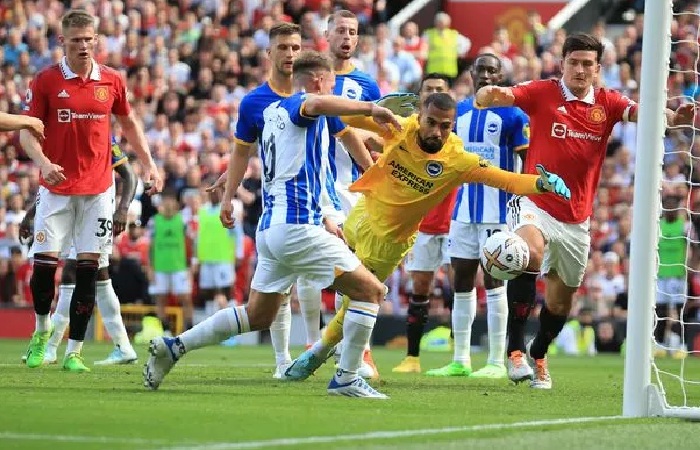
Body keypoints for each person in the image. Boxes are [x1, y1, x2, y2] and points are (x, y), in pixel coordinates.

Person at [144, 50, 399, 398]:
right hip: (297, 227)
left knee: (258, 315)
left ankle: (175, 346)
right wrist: (372, 108)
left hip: (271, 229)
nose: (331, 90)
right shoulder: (302, 106)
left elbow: (260, 154)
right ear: (316, 82)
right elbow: (314, 106)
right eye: (329, 84)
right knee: (371, 291)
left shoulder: (271, 112)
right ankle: (347, 377)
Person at [284, 91, 571, 381]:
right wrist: (370, 110)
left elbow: (504, 178)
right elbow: (342, 116)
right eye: (431, 122)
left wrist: (540, 182)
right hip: (360, 216)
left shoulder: (458, 160)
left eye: (445, 126)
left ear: (453, 125)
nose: (436, 132)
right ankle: (347, 354)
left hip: (388, 240)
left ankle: (318, 353)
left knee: (359, 297)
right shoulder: (399, 127)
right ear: (419, 116)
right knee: (338, 284)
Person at [474, 33, 694, 388]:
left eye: (587, 64)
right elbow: (503, 95)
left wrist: (671, 115)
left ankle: (539, 350)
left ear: (596, 69)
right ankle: (514, 351)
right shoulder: (542, 92)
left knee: (560, 305)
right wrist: (489, 94)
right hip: (536, 201)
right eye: (573, 62)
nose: (579, 69)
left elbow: (645, 114)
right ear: (562, 64)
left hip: (576, 219)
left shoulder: (607, 103)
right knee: (528, 252)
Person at [209, 23, 373, 378]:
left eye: (296, 47)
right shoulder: (256, 102)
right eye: (283, 47)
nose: (290, 53)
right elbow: (244, 153)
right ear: (270, 54)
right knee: (287, 287)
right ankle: (286, 358)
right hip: (283, 204)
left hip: (323, 196)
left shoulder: (316, 101)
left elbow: (346, 136)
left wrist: (372, 174)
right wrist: (229, 190)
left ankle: (329, 351)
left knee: (326, 276)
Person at [20, 9, 161, 372]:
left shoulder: (111, 80)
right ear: (62, 42)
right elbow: (26, 131)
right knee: (43, 269)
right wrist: (44, 164)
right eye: (75, 40)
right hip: (56, 188)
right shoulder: (46, 81)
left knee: (88, 270)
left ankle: (75, 352)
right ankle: (41, 330)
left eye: (88, 39)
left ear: (96, 40)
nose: (83, 46)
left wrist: (149, 164)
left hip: (98, 190)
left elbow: (129, 124)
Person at [426, 54, 529, 379]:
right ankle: (461, 359)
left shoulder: (514, 114)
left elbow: (526, 158)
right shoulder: (459, 112)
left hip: (498, 211)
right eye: (481, 70)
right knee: (461, 282)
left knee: (495, 281)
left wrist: (522, 203)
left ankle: (497, 361)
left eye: (492, 70)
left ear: (501, 76)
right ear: (471, 74)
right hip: (462, 210)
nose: (485, 75)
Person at [20, 136, 139, 365]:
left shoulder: (102, 136)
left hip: (94, 213)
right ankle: (123, 346)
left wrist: (122, 210)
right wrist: (30, 215)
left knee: (74, 274)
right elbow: (56, 185)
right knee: (99, 279)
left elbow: (129, 174)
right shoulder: (64, 134)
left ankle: (52, 347)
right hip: (75, 210)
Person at [390, 73, 455, 374]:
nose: (434, 94)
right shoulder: (405, 132)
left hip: (456, 220)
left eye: (440, 90)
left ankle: (463, 355)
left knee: (465, 285)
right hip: (423, 225)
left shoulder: (455, 131)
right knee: (420, 288)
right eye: (429, 90)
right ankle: (412, 357)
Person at [149, 190, 193, 333]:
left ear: (175, 204)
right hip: (160, 267)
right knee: (161, 299)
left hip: (179, 267)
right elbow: (150, 246)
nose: (167, 205)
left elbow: (191, 243)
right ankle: (166, 330)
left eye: (170, 201)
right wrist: (150, 268)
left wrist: (191, 265)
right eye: (165, 202)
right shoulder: (154, 221)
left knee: (185, 298)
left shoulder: (182, 220)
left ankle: (189, 328)